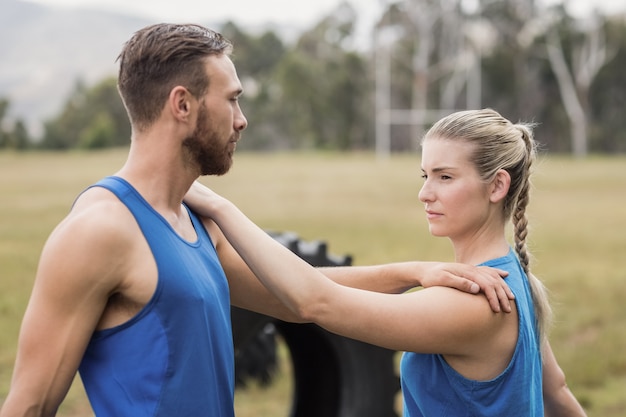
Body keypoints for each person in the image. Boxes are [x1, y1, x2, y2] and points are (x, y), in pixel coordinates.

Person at [0, 24, 513, 416]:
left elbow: (302, 295)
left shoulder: (193, 220)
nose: (242, 119)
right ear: (182, 104)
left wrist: (414, 273)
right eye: (232, 100)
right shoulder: (99, 231)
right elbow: (29, 404)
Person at [183, 108, 587, 416]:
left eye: (445, 177)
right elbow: (560, 396)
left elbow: (316, 302)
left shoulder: (474, 303)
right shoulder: (517, 282)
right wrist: (412, 271)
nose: (425, 194)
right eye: (424, 175)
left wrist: (220, 207)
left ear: (497, 185)